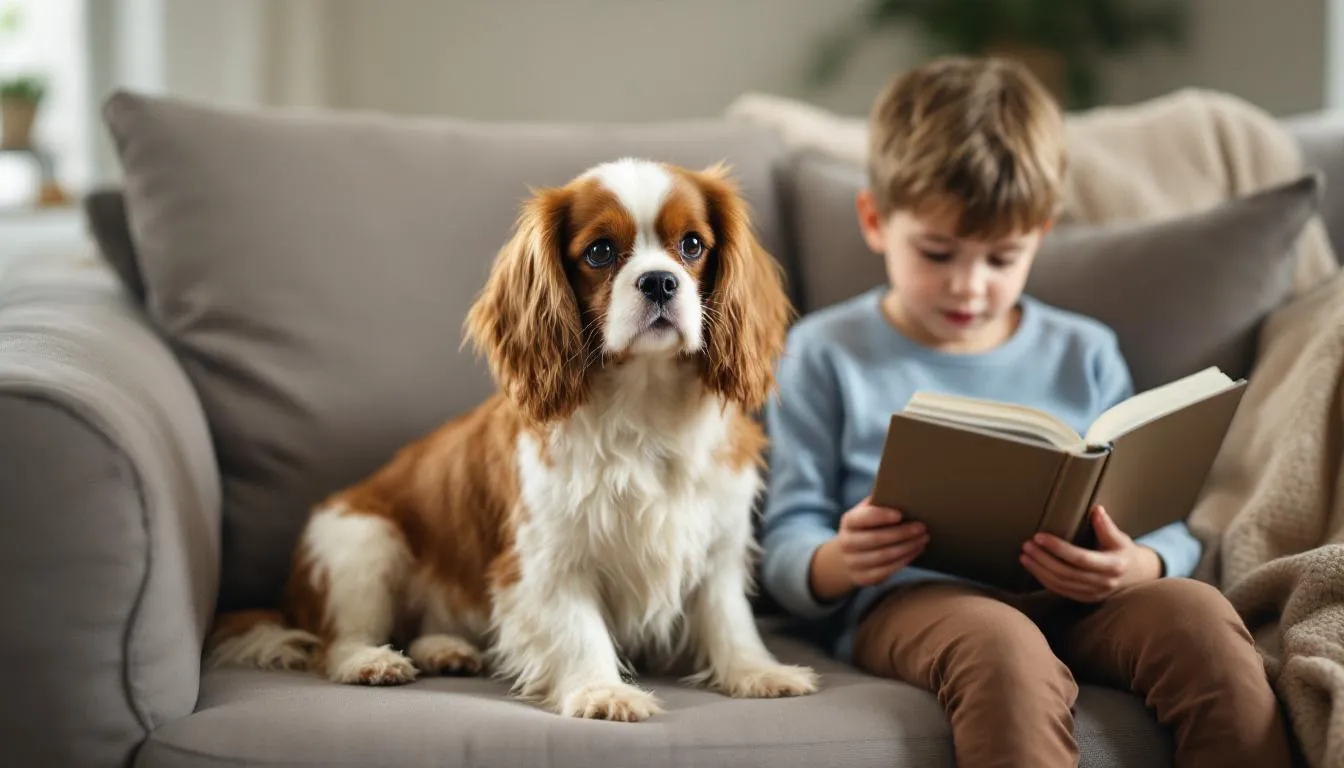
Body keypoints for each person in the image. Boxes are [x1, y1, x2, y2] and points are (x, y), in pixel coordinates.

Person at [759, 55, 1292, 767]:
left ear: (1040, 234)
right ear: (875, 219)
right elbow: (784, 541)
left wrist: (1142, 562)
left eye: (1001, 258)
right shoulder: (823, 352)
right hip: (913, 603)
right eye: (938, 252)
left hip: (1082, 598)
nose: (969, 286)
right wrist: (841, 560)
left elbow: (1160, 513)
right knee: (1002, 648)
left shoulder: (1085, 350)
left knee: (1199, 620)